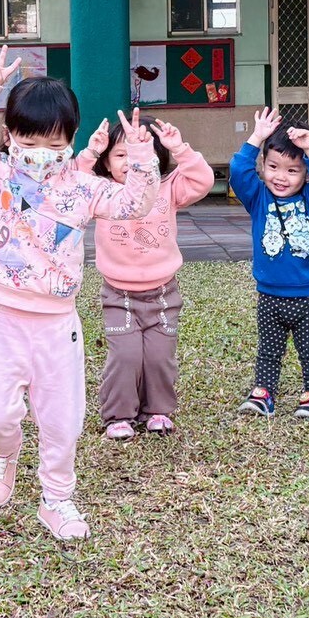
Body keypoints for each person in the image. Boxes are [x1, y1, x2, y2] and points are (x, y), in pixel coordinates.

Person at [0, 47, 160, 540]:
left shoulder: (83, 187)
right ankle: (3, 453)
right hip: (0, 319)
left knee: (63, 421)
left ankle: (57, 499)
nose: (41, 152)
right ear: (8, 135)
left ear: (71, 140)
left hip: (57, 326)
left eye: (54, 143)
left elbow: (136, 203)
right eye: (28, 141)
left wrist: (142, 157)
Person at [76, 115, 214, 439]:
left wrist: (179, 148)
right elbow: (73, 184)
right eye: (120, 154)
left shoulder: (168, 188)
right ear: (107, 162)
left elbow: (203, 180)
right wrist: (90, 152)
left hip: (163, 293)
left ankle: (157, 411)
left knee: (158, 358)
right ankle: (119, 415)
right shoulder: (103, 192)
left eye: (141, 153)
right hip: (119, 295)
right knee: (126, 356)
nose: (130, 162)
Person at [228, 107, 309, 420]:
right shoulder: (258, 198)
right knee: (268, 350)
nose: (281, 177)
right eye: (273, 167)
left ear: (306, 174)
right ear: (263, 165)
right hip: (270, 294)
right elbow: (238, 171)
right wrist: (256, 138)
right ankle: (264, 393)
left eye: (292, 170)